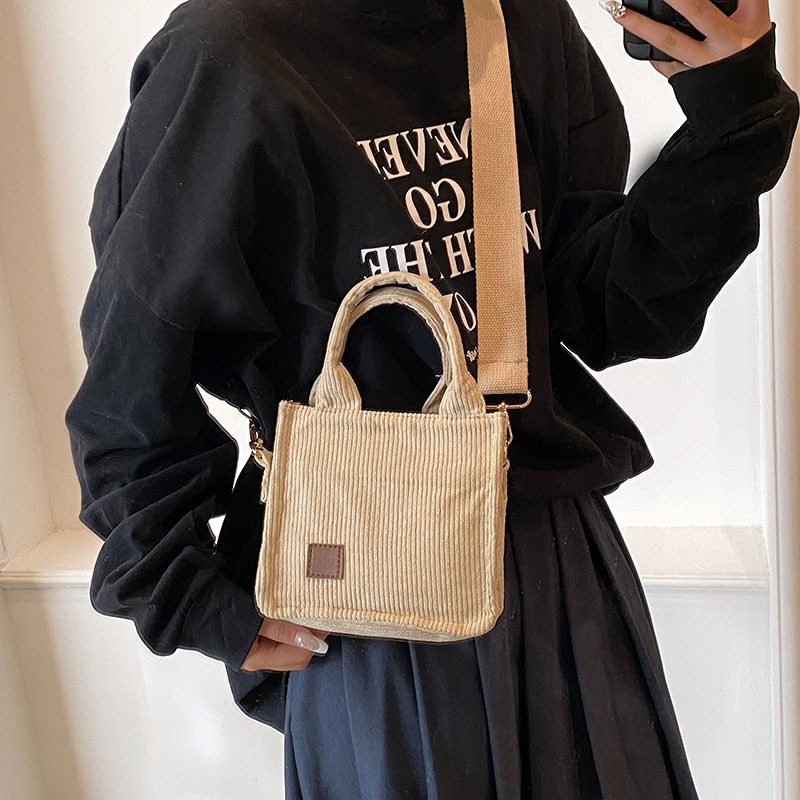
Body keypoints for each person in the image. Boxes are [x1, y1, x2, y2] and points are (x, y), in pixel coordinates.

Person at [64, 0, 798, 796]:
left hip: (555, 563)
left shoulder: (519, 20)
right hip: (362, 584)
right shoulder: (227, 53)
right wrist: (180, 589)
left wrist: (734, 113)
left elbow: (606, 308)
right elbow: (133, 361)